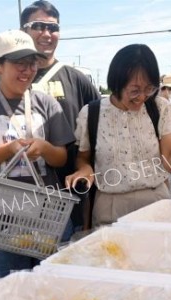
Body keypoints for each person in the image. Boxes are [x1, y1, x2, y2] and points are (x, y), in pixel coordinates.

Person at [0, 30, 75, 286]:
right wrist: (8, 150)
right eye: (19, 63)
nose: (27, 69)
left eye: (31, 62)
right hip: (2, 221)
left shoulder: (47, 104)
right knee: (7, 296)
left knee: (48, 294)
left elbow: (61, 158)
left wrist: (43, 147)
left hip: (48, 219)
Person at [65, 44, 171, 228]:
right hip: (110, 208)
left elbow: (170, 163)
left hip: (156, 203)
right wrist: (84, 170)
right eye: (134, 90)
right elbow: (83, 158)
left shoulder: (160, 108)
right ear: (116, 84)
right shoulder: (91, 113)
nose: (142, 97)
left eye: (150, 89)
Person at [21, 0, 101, 232]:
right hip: (17, 199)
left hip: (68, 198)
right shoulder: (7, 79)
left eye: (53, 28)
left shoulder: (77, 79)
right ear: (23, 31)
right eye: (38, 26)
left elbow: (99, 125)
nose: (47, 33)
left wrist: (88, 167)